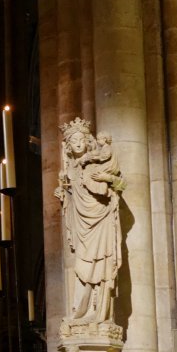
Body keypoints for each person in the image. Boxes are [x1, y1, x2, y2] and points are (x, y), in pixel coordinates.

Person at [55, 120, 124, 323]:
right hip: (81, 225)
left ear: (87, 141)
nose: (77, 143)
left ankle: (100, 314)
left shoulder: (96, 164)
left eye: (80, 139)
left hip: (101, 220)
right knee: (82, 267)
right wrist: (63, 194)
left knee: (102, 265)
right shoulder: (69, 171)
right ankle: (82, 312)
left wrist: (106, 182)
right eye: (73, 140)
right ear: (68, 145)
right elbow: (72, 195)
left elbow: (119, 184)